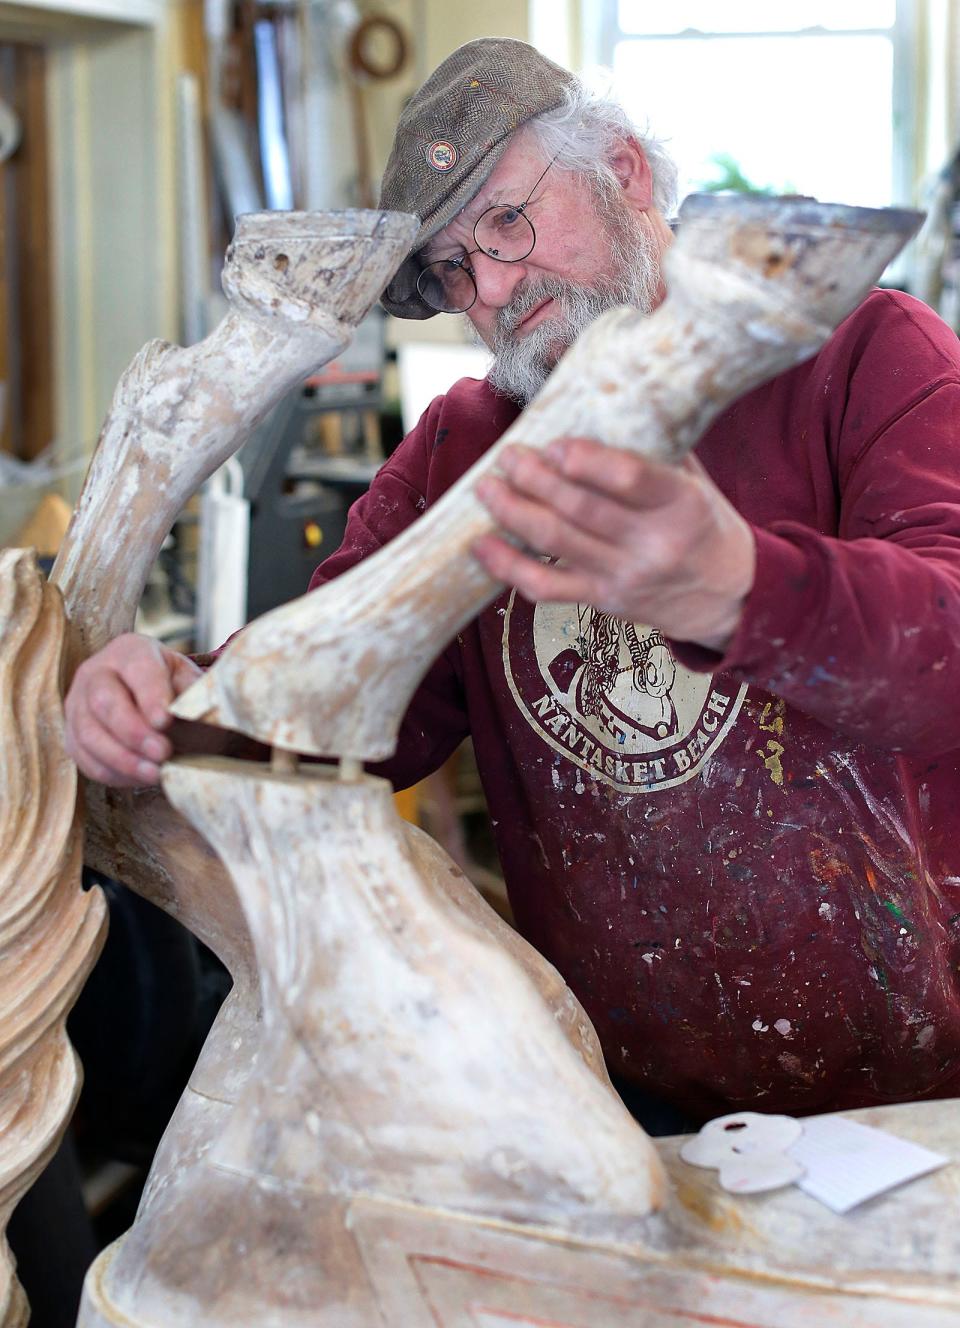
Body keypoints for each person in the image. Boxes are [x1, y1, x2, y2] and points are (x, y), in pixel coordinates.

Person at [65, 37, 960, 1131]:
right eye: (452, 268)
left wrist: (736, 589)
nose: (488, 287)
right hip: (613, 1106)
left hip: (906, 1103)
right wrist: (171, 706)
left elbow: (944, 658)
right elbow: (341, 707)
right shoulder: (461, 450)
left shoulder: (867, 355)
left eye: (507, 222)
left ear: (623, 171)